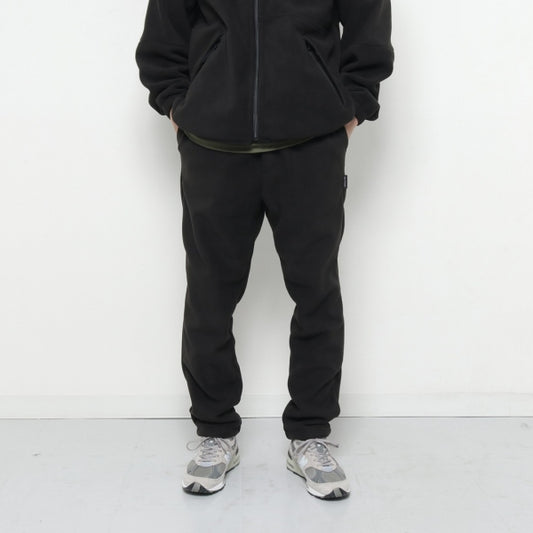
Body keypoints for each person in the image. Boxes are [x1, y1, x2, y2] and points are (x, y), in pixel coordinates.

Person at [135, 0, 394, 500]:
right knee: (210, 296)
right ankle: (215, 432)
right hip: (213, 148)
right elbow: (162, 41)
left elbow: (369, 32)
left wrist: (350, 108)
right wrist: (182, 109)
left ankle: (310, 435)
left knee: (316, 292)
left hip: (311, 146)